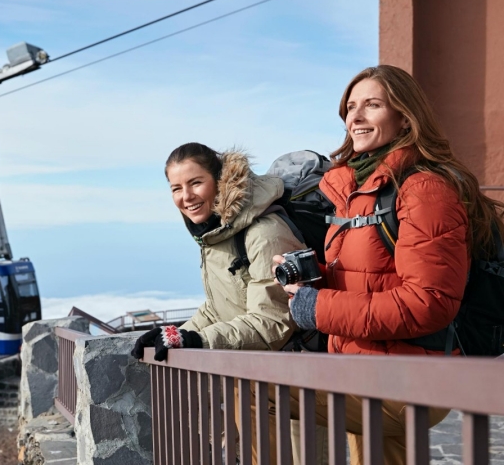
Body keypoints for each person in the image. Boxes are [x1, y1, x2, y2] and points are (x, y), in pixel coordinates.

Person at [276, 64, 504, 465]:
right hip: (366, 364)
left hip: (409, 377)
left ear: (404, 116)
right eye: (350, 107)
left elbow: (428, 301)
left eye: (372, 105)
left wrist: (318, 308)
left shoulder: (424, 188)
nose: (356, 117)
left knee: (254, 393)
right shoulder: (358, 190)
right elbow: (377, 278)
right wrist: (316, 278)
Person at [130, 142, 328, 464]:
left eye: (195, 183)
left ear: (220, 180)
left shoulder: (263, 232)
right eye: (176, 188)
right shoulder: (218, 234)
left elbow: (273, 321)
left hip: (297, 377)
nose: (186, 196)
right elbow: (218, 306)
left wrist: (199, 339)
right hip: (257, 382)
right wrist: (177, 332)